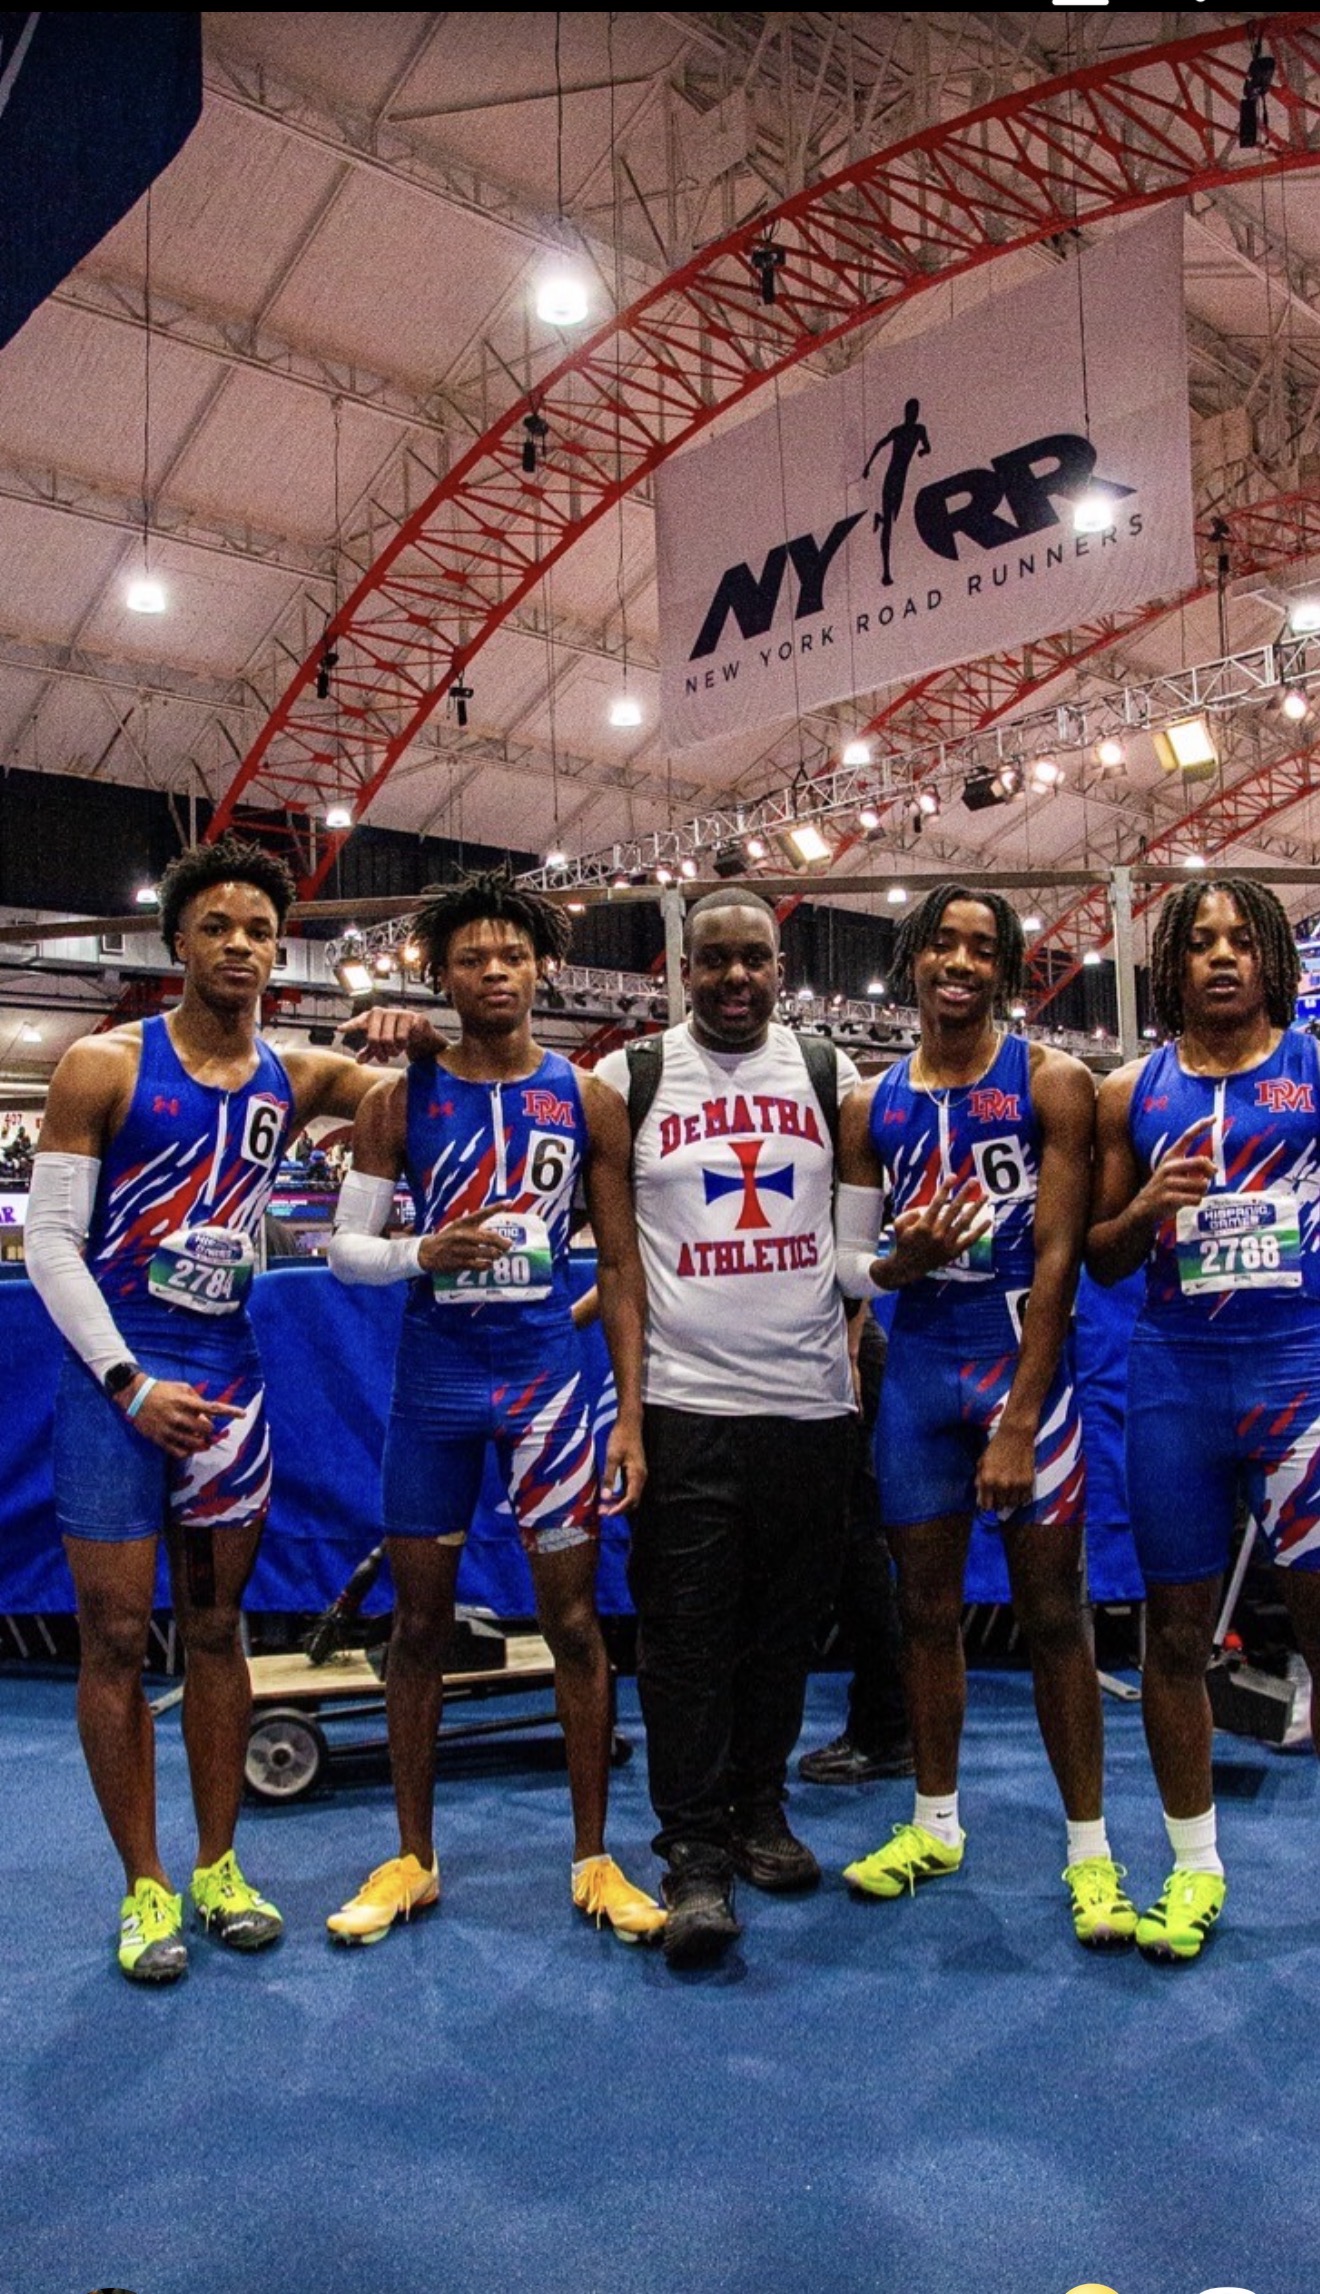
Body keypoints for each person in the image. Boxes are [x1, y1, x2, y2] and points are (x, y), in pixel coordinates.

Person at [25, 835, 389, 1983]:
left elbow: (420, 1089)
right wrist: (129, 1382)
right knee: (119, 1637)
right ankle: (143, 1887)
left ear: (282, 950)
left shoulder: (298, 1074)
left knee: (221, 1627)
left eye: (260, 931)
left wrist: (403, 1035)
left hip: (228, 1380)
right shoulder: (104, 1065)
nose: (241, 945)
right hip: (118, 1384)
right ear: (177, 941)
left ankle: (218, 1863)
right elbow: (46, 1242)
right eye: (219, 927)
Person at [325, 871, 661, 1948]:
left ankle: (594, 1856)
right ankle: (413, 1856)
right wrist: (424, 1250)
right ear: (442, 974)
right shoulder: (396, 1098)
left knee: (572, 1623)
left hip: (550, 1393)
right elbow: (345, 1253)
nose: (496, 973)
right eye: (472, 958)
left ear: (542, 968)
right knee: (416, 1625)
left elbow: (619, 1259)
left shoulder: (587, 1095)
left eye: (513, 956)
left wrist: (631, 1415)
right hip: (434, 1390)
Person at [833, 884, 1133, 1949]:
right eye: (942, 943)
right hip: (916, 1372)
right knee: (924, 1614)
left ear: (1004, 969)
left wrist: (1020, 1416)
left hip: (1020, 1377)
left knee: (1055, 1616)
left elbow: (1058, 1257)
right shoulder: (870, 1104)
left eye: (982, 947)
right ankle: (934, 1822)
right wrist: (897, 1263)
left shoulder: (1052, 1082)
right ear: (913, 958)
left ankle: (1091, 1849)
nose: (959, 961)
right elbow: (851, 1260)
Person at [593, 888, 858, 1968]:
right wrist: (627, 1412)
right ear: (682, 970)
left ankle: (759, 1806)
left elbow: (859, 1241)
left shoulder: (832, 1075)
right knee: (687, 1639)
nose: (736, 977)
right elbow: (616, 1263)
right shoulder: (631, 1079)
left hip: (811, 1403)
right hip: (687, 1401)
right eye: (715, 961)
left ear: (780, 966)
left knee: (783, 1635)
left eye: (755, 958)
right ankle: (694, 1853)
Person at [1087, 878, 1320, 1961]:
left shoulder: (1314, 1069)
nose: (1222, 957)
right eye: (1201, 942)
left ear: (1271, 957)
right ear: (1171, 962)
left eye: (1241, 940)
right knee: (1171, 1637)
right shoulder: (1132, 1088)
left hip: (1299, 1377)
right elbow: (1102, 1253)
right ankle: (1193, 1866)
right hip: (1177, 1375)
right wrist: (1142, 1207)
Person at [796, 1305, 914, 1785]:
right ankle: (887, 1726)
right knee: (850, 1543)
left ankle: (886, 1728)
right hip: (822, 1354)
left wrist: (847, 1351)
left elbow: (854, 1257)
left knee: (854, 1544)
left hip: (837, 1357)